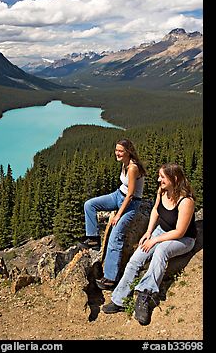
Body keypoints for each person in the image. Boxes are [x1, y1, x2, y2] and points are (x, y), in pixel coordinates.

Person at [102, 163, 197, 326]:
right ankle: (119, 300)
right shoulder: (162, 191)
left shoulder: (186, 201)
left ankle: (145, 295)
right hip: (161, 231)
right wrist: (148, 233)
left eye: (162, 177)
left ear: (174, 179)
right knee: (136, 258)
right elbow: (155, 210)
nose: (158, 179)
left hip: (183, 239)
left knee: (161, 251)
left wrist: (154, 240)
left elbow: (180, 232)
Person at [79, 138, 146, 289]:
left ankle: (110, 278)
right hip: (118, 195)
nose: (117, 153)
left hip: (130, 203)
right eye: (116, 150)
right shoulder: (125, 164)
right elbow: (124, 189)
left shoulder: (133, 168)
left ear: (128, 152)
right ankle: (93, 238)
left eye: (120, 151)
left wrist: (118, 215)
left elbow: (130, 195)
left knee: (115, 237)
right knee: (89, 204)